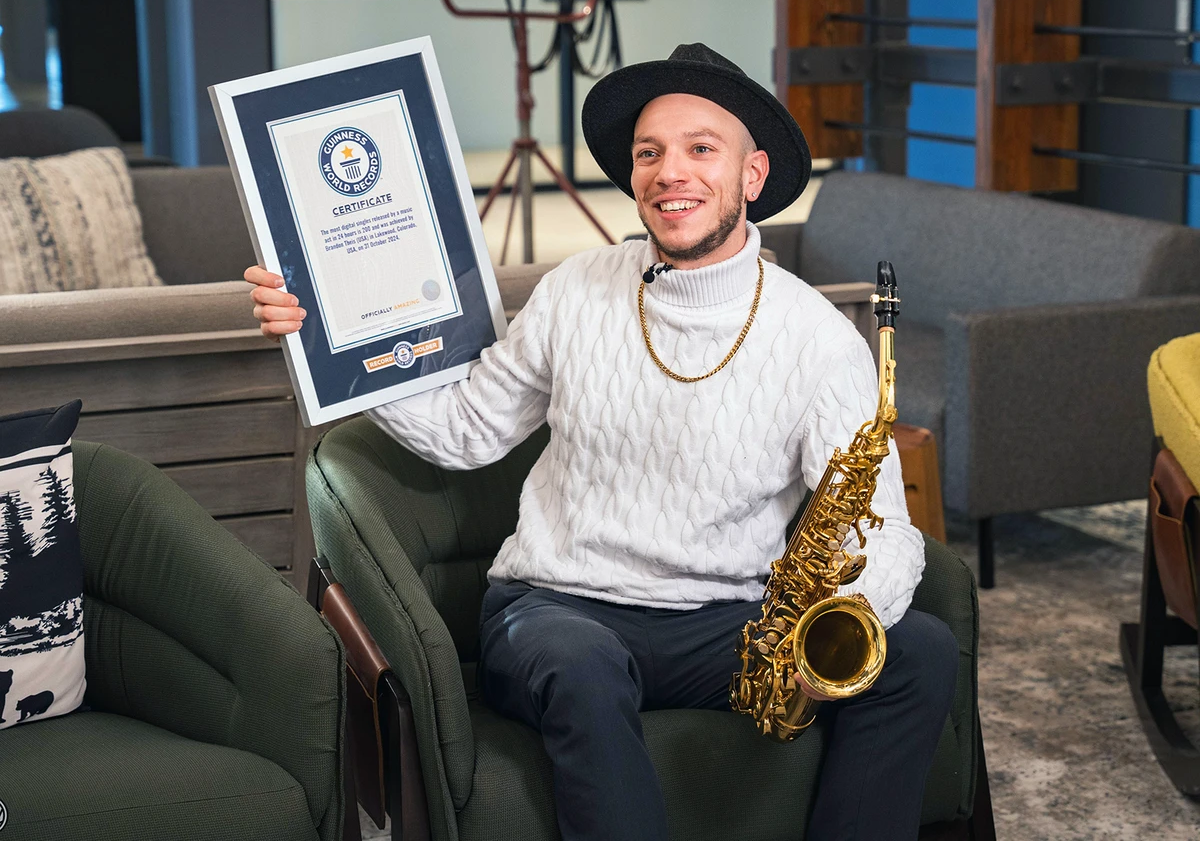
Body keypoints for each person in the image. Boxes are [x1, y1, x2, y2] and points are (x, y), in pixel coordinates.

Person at [246, 43, 958, 841]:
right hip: (554, 609)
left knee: (921, 651)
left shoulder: (821, 340)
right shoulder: (575, 290)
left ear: (752, 175)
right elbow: (467, 429)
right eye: (649, 153)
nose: (669, 172)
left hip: (727, 624)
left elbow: (881, 530)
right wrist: (321, 338)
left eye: (701, 149)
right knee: (583, 667)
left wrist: (847, 618)